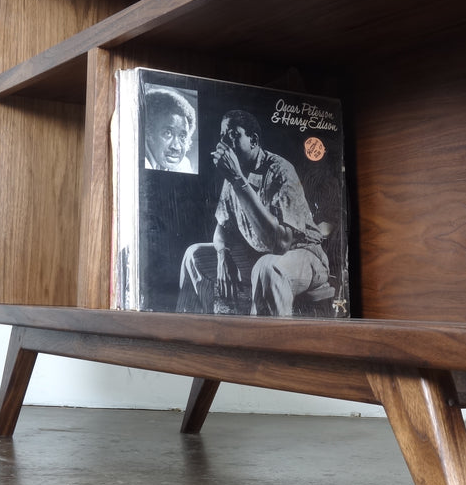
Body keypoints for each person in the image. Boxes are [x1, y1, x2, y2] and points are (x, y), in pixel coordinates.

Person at [177, 109, 330, 316]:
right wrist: (223, 254)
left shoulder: (280, 171)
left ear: (254, 140)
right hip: (260, 256)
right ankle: (199, 331)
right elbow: (222, 227)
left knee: (267, 267)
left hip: (304, 256)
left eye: (232, 135)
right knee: (193, 255)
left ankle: (266, 342)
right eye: (222, 136)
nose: (225, 142)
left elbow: (281, 244)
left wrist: (239, 180)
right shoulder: (233, 176)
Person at [141, 84, 196, 173]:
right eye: (168, 133)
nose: (176, 147)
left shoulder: (184, 165)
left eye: (182, 136)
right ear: (148, 133)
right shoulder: (137, 161)